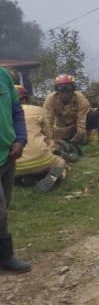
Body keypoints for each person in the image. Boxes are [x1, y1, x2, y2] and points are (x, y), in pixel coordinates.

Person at [0, 67, 30, 273]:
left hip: (9, 155)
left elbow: (16, 111)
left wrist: (20, 139)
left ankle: (4, 257)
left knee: (4, 210)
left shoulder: (3, 75)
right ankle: (6, 256)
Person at [14, 86, 67, 193]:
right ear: (25, 99)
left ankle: (22, 179)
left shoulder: (3, 114)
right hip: (40, 161)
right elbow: (49, 135)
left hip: (13, 166)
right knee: (61, 161)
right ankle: (54, 173)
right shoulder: (37, 110)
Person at [43, 74, 90, 145]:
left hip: (78, 125)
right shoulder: (50, 100)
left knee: (92, 115)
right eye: (61, 91)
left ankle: (92, 140)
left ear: (72, 90)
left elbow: (82, 121)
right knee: (56, 136)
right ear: (57, 91)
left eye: (68, 91)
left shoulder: (81, 100)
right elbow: (48, 121)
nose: (65, 94)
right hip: (62, 127)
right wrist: (49, 139)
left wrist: (79, 135)